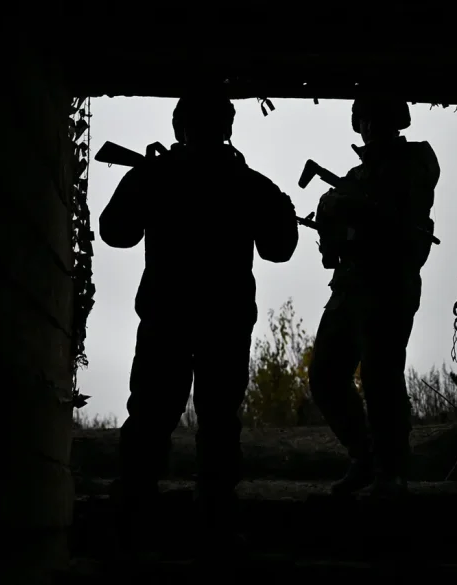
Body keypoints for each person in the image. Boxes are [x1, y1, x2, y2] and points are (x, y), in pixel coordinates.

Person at [99, 81, 299, 551]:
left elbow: (115, 232)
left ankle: (132, 524)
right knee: (217, 421)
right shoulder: (249, 185)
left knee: (151, 416)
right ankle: (215, 526)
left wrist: (144, 180)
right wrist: (282, 208)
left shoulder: (158, 176)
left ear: (179, 128)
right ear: (227, 128)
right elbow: (280, 248)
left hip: (167, 318)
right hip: (223, 322)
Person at [308, 92, 440, 496]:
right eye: (363, 119)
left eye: (377, 119)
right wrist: (332, 219)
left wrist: (349, 206)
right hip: (349, 286)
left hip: (389, 285)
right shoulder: (355, 176)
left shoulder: (414, 161)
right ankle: (364, 458)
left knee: (381, 377)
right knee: (325, 375)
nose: (368, 128)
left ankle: (391, 471)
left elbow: (401, 210)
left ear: (395, 121)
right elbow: (334, 228)